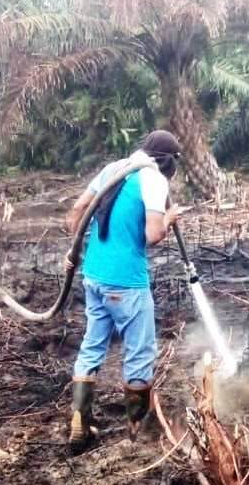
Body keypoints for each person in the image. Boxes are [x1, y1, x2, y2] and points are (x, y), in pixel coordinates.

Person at [63, 130, 188, 454]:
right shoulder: (154, 179)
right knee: (139, 351)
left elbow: (76, 212)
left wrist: (77, 249)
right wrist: (170, 217)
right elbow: (152, 235)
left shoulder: (114, 168)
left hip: (93, 276)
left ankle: (80, 416)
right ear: (168, 160)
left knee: (92, 345)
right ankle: (138, 428)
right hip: (126, 283)